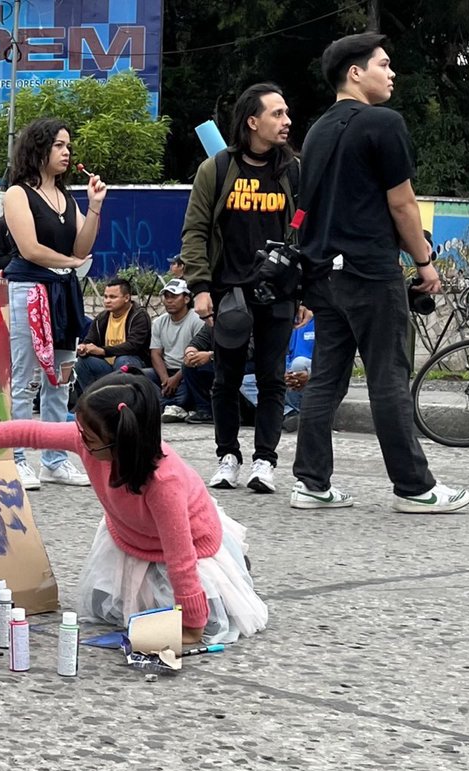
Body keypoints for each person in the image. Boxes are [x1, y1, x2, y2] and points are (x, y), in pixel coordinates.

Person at [0, 371, 267, 646]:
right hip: (130, 534)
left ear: (122, 441)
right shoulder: (90, 439)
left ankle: (226, 577)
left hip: (185, 543)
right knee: (109, 608)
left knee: (190, 610)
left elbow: (180, 558)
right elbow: (31, 432)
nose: (80, 440)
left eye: (89, 438)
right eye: (80, 430)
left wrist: (192, 625)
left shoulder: (163, 483)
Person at [292, 32, 469, 513]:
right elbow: (402, 203)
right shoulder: (383, 123)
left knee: (327, 378)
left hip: (323, 273)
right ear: (355, 72)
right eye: (384, 65)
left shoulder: (317, 131)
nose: (392, 74)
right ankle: (414, 488)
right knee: (389, 376)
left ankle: (311, 483)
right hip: (369, 271)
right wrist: (424, 262)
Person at [180, 83, 306, 494]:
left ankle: (264, 461)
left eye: (286, 113)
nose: (286, 122)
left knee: (272, 378)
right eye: (277, 114)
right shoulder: (216, 169)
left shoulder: (294, 171)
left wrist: (305, 291)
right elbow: (195, 231)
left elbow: (305, 229)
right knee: (226, 378)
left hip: (279, 292)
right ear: (252, 121)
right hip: (228, 293)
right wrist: (200, 287)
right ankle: (227, 457)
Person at [2, 117, 106, 490]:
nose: (66, 152)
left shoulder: (66, 197)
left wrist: (94, 207)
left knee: (61, 377)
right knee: (25, 377)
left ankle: (54, 459)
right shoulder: (17, 194)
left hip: (63, 291)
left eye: (68, 146)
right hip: (30, 289)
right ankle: (16, 458)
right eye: (59, 145)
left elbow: (82, 245)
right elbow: (30, 249)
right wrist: (71, 264)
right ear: (40, 148)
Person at [74, 277, 150, 393]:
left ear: (127, 298)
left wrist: (102, 351)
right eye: (105, 297)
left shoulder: (139, 316)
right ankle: (92, 400)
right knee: (82, 362)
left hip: (134, 363)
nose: (107, 301)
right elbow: (90, 340)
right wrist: (83, 348)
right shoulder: (102, 318)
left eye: (113, 297)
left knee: (123, 360)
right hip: (107, 365)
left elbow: (133, 346)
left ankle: (126, 400)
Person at [241, 318, 314, 432]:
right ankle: (288, 413)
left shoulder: (320, 322)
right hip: (288, 371)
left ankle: (305, 413)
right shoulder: (289, 323)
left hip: (311, 372)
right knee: (245, 381)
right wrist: (280, 371)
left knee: (299, 363)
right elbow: (281, 355)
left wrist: (309, 373)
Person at [147, 279, 204, 422]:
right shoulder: (159, 322)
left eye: (174, 296)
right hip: (165, 372)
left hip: (188, 371)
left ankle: (168, 405)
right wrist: (165, 380)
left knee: (184, 394)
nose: (169, 301)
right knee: (138, 376)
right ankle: (169, 405)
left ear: (186, 299)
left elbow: (196, 355)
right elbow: (155, 353)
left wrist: (175, 379)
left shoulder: (197, 319)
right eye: (166, 297)